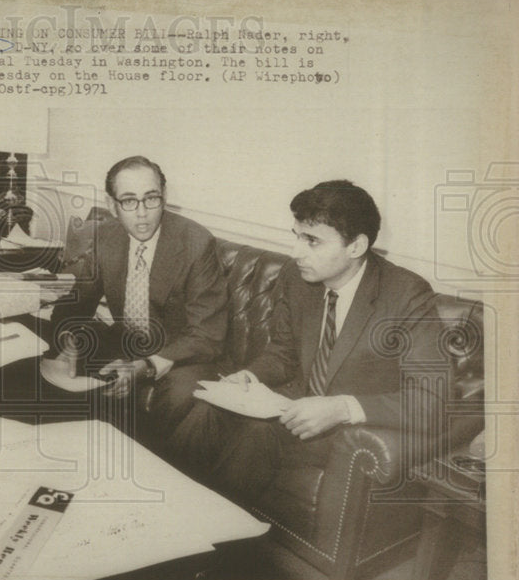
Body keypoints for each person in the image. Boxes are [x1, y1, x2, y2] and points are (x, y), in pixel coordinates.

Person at [170, 179, 444, 503]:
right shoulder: (296, 278)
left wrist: (343, 408)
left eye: (312, 241)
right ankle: (167, 517)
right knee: (206, 411)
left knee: (256, 435)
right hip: (292, 406)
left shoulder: (406, 295)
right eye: (297, 237)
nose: (296, 252)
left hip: (343, 432)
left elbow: (433, 399)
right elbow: (284, 353)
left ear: (355, 247)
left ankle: (216, 538)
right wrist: (252, 376)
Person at [49, 155, 228, 442]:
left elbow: (207, 336)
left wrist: (144, 366)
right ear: (112, 205)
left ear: (164, 197)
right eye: (129, 201)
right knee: (45, 359)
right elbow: (77, 303)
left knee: (182, 394)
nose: (142, 213)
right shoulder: (106, 235)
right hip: (127, 339)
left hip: (181, 352)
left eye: (151, 198)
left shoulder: (196, 243)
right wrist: (69, 340)